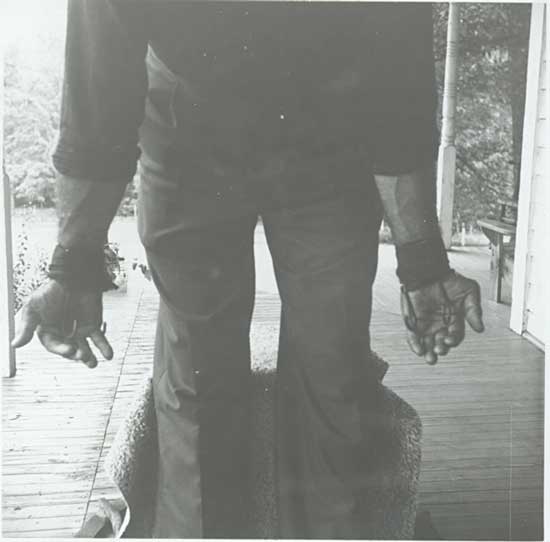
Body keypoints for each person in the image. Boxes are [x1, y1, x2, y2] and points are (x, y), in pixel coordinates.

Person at [12, 1, 484, 538]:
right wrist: (72, 265)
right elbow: (99, 95)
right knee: (196, 379)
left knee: (335, 374)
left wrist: (422, 262)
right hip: (186, 125)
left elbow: (396, 83)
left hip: (332, 132)